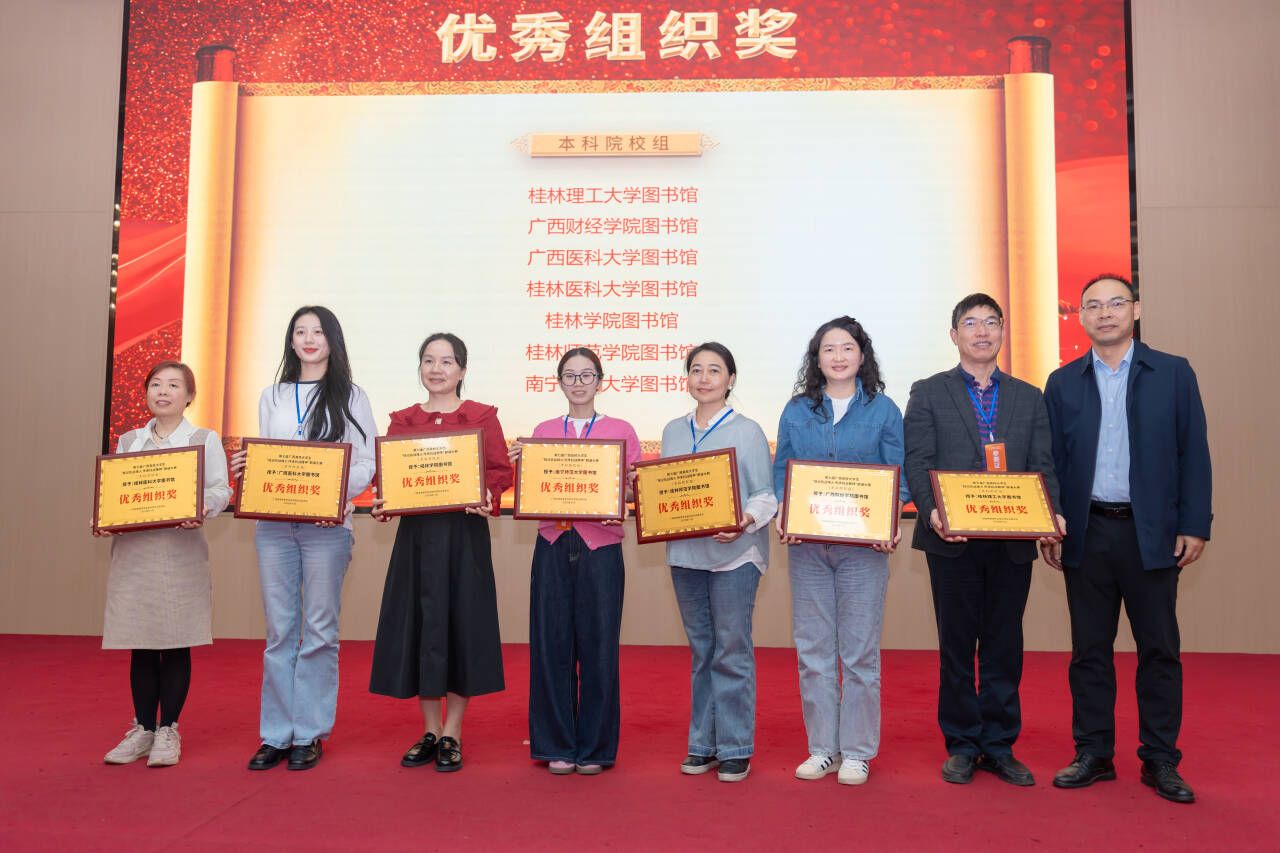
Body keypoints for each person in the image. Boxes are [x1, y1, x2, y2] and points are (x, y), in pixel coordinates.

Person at [1042, 274, 1210, 804]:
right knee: (1089, 650)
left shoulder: (1173, 373)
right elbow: (1050, 463)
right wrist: (1050, 522)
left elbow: (1194, 451)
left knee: (1159, 649)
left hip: (1151, 532)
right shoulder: (1062, 382)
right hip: (1086, 531)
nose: (1105, 313)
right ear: (1081, 317)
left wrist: (1194, 523)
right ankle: (1093, 752)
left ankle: (1160, 758)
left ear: (1136, 310)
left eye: (1116, 303)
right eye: (1093, 305)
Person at [903, 293, 1063, 787]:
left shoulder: (1029, 396)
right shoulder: (928, 392)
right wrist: (932, 512)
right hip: (951, 539)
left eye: (991, 322)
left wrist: (1051, 514)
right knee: (956, 645)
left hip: (1012, 541)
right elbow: (918, 461)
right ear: (954, 335)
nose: (982, 332)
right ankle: (962, 744)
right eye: (970, 323)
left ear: (1002, 332)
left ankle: (998, 744)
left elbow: (1043, 463)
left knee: (1004, 643)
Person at [232, 306, 377, 772]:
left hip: (327, 530)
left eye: (318, 331)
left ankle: (309, 733)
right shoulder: (272, 395)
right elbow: (267, 456)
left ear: (332, 340)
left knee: (319, 631)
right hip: (273, 527)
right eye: (300, 331)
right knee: (279, 632)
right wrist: (246, 467)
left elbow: (366, 463)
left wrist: (331, 495)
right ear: (291, 341)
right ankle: (275, 734)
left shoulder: (351, 396)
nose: (309, 339)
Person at [773, 317, 909, 786]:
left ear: (862, 356)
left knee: (859, 655)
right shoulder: (797, 410)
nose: (838, 356)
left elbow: (899, 474)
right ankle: (822, 748)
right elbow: (782, 470)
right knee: (813, 652)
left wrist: (889, 521)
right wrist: (784, 512)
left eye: (847, 348)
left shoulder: (884, 410)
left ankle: (856, 751)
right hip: (808, 548)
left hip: (864, 551)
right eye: (828, 349)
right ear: (817, 359)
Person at [369, 332, 512, 773]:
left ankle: (453, 731)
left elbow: (499, 471)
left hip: (464, 538)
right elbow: (388, 479)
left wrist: (488, 496)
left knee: (461, 627)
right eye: (429, 360)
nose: (437, 369)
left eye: (447, 361)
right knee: (421, 627)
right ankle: (430, 730)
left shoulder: (482, 417)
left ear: (462, 370)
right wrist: (384, 503)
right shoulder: (403, 421)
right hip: (416, 540)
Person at [510, 347, 642, 775]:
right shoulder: (544, 431)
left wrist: (626, 491)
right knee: (551, 645)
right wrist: (520, 467)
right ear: (559, 382)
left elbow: (633, 493)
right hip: (552, 541)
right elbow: (533, 489)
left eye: (587, 375)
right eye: (570, 375)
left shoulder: (622, 430)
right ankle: (557, 744)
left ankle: (596, 747)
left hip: (600, 547)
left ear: (600, 381)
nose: (578, 382)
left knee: (599, 647)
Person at [95, 361, 231, 767]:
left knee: (175, 640)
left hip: (180, 550)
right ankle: (142, 729)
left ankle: (168, 729)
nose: (163, 392)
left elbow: (221, 489)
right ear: (146, 393)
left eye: (174, 385)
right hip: (135, 552)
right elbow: (115, 492)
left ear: (189, 396)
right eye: (155, 384)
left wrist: (203, 507)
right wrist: (103, 517)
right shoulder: (129, 440)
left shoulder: (204, 439)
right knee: (140, 641)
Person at [660, 342, 776, 783]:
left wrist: (743, 521)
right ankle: (703, 744)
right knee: (702, 650)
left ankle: (735, 747)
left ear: (731, 379)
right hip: (686, 555)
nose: (704, 378)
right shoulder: (672, 430)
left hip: (736, 555)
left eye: (714, 370)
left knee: (731, 649)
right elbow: (665, 490)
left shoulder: (747, 431)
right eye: (696, 370)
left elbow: (765, 496)